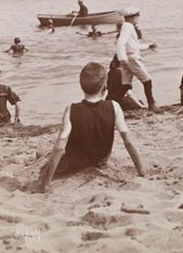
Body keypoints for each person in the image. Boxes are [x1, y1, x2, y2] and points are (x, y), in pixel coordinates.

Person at [35, 62, 145, 192]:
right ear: (105, 86)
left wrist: (46, 183)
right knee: (44, 154)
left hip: (75, 161)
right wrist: (141, 172)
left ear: (81, 86)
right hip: (100, 160)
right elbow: (128, 141)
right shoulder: (114, 106)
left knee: (43, 155)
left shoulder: (71, 109)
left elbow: (60, 147)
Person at [116, 6, 161, 112]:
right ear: (133, 17)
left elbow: (134, 46)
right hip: (131, 58)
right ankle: (152, 105)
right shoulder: (129, 27)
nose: (138, 18)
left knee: (126, 85)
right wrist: (122, 58)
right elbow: (120, 43)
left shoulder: (126, 26)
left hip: (128, 57)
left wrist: (148, 46)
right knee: (147, 81)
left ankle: (113, 103)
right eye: (137, 16)